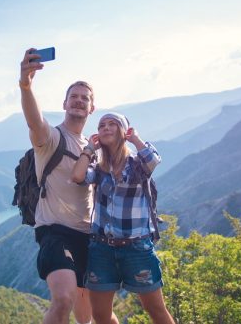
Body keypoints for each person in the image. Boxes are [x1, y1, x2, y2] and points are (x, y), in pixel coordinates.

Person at [71, 112, 175, 324]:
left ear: (123, 131)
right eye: (101, 125)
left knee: (155, 310)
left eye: (112, 124)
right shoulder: (99, 169)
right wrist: (90, 148)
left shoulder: (137, 165)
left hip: (136, 248)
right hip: (101, 250)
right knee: (100, 315)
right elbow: (78, 176)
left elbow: (153, 159)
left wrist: (134, 138)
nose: (106, 128)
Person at [19, 48, 94, 324]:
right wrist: (26, 85)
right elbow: (34, 120)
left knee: (87, 318)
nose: (78, 101)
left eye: (84, 98)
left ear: (91, 108)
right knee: (63, 300)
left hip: (88, 237)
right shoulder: (50, 139)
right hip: (55, 233)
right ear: (64, 104)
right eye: (73, 97)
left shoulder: (92, 149)